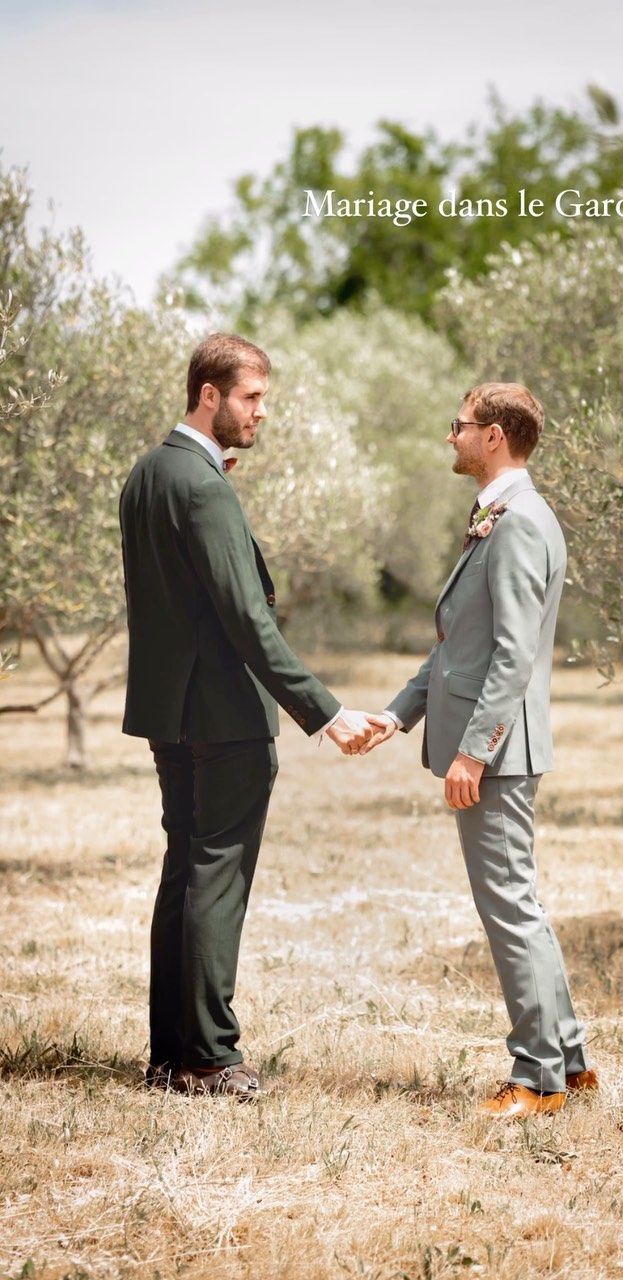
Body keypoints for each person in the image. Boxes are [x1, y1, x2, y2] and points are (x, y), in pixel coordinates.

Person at [120, 333, 376, 1099]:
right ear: (209, 395)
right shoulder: (202, 486)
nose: (263, 412)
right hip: (224, 715)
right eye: (252, 397)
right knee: (216, 877)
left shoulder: (145, 475)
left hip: (170, 711)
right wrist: (325, 713)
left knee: (185, 873)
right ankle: (208, 1058)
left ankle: (171, 1055)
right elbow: (245, 619)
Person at [364, 382, 598, 1117]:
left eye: (459, 425)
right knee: (518, 902)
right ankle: (571, 1062)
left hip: (496, 753)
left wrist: (472, 753)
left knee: (509, 909)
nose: (451, 437)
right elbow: (458, 646)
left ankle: (537, 1080)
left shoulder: (520, 521)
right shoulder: (499, 514)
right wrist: (399, 715)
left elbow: (513, 654)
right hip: (487, 744)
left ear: (494, 435)